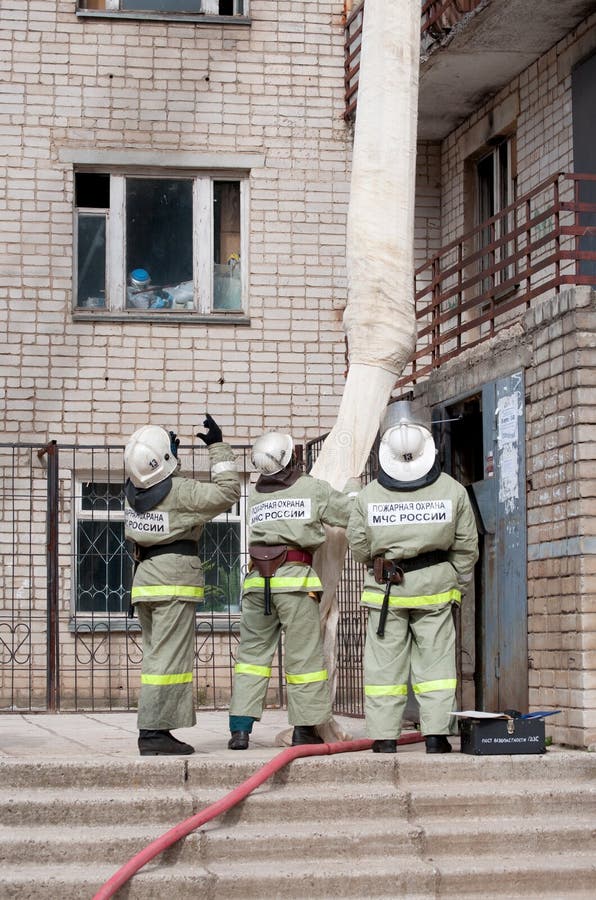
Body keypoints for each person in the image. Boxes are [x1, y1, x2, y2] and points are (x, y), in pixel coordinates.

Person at [346, 400, 478, 754]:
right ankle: (436, 736)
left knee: (384, 668)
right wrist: (455, 585)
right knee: (436, 665)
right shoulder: (453, 490)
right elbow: (467, 548)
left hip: (385, 591)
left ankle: (384, 738)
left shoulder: (369, 496)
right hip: (436, 590)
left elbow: (358, 547)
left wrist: (382, 562)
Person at [228, 431, 359, 750]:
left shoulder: (255, 495)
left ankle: (240, 731)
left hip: (257, 584)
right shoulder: (311, 489)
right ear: (292, 458)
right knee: (304, 659)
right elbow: (348, 514)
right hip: (295, 583)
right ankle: (304, 729)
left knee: (251, 659)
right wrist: (353, 490)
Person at [124, 415, 241, 756]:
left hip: (145, 581)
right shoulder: (181, 491)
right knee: (168, 661)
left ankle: (155, 728)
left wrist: (170, 462)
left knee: (156, 659)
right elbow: (228, 492)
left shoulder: (132, 494)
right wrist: (218, 448)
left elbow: (159, 486)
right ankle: (153, 733)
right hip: (173, 583)